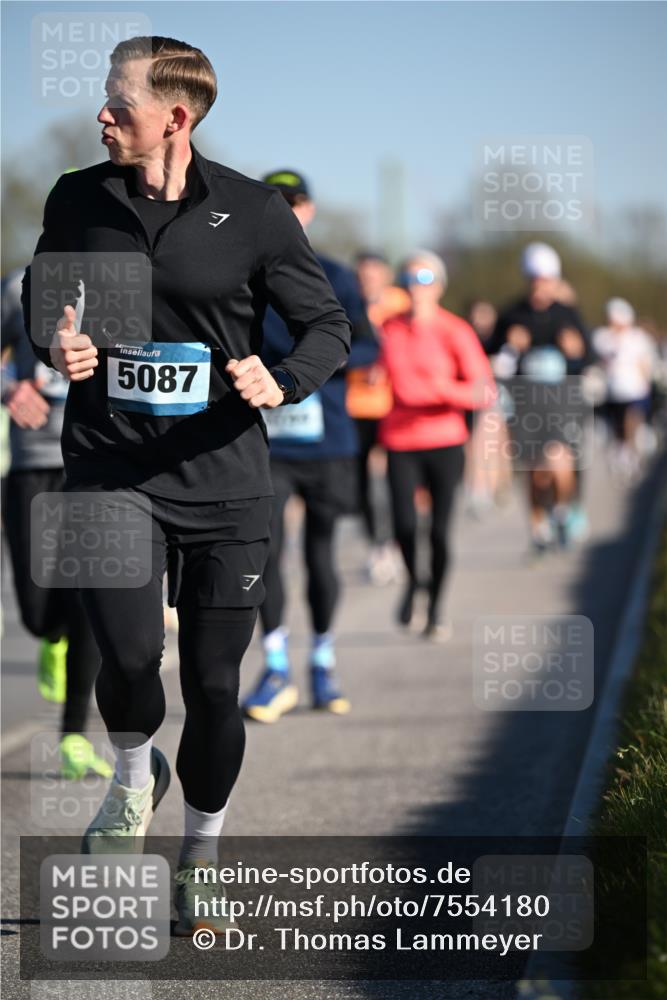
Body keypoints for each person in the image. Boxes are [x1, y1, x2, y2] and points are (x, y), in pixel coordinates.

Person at [23, 36, 350, 936]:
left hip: (222, 480)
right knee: (129, 658)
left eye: (116, 103)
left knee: (213, 685)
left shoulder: (253, 213)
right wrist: (56, 341)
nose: (100, 115)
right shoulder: (79, 196)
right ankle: (134, 777)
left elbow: (326, 326)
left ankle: (201, 854)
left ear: (177, 116)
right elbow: (43, 294)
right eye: (102, 98)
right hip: (109, 463)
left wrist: (278, 381)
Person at [241, 171, 378, 724]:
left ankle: (322, 660)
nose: (287, 210)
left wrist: (317, 366)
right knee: (266, 549)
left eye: (295, 202)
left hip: (328, 437)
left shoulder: (337, 275)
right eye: (275, 202)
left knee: (321, 553)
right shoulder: (241, 271)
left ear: (310, 210)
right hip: (266, 439)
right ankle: (275, 666)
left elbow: (368, 344)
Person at [1, 268, 110, 779]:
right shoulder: (18, 285)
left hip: (97, 462)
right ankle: (51, 635)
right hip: (33, 462)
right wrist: (7, 389)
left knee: (88, 593)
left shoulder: (125, 284)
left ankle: (73, 735)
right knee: (39, 611)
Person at [379, 251, 495, 640]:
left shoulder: (455, 330)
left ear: (440, 286)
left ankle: (437, 609)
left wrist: (440, 390)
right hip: (399, 440)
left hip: (445, 440)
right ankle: (414, 582)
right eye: (409, 279)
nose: (417, 288)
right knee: (404, 526)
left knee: (440, 532)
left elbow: (484, 390)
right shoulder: (389, 328)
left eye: (425, 279)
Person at [486, 243, 594, 554]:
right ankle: (538, 528)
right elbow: (491, 356)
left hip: (561, 399)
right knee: (535, 470)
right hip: (526, 400)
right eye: (534, 278)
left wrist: (576, 352)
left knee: (560, 460)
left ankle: (563, 510)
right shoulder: (513, 313)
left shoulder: (567, 314)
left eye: (545, 279)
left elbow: (588, 357)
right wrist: (510, 347)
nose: (540, 285)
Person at [348, 252, 407, 584]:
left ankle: (397, 543)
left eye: (374, 275)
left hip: (394, 405)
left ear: (385, 276)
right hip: (356, 406)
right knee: (362, 485)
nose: (368, 281)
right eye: (362, 276)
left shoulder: (399, 304)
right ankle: (377, 544)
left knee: (393, 481)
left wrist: (384, 363)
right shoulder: (345, 304)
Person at [593, 298, 659, 479]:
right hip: (613, 393)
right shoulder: (603, 338)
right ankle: (622, 455)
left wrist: (646, 386)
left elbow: (645, 363)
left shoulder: (638, 338)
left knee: (632, 421)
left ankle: (631, 456)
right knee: (618, 428)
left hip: (635, 391)